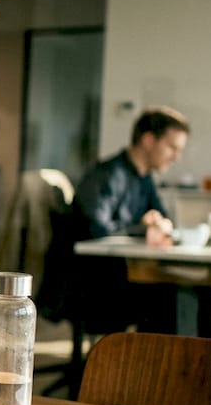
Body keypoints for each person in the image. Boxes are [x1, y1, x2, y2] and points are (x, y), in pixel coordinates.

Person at [64, 105, 190, 334]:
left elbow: (163, 218)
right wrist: (143, 228)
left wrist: (161, 224)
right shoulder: (106, 174)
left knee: (196, 292)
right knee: (176, 295)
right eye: (172, 147)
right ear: (149, 140)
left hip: (123, 274)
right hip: (95, 284)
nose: (176, 157)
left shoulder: (144, 178)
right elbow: (95, 228)